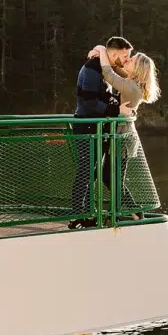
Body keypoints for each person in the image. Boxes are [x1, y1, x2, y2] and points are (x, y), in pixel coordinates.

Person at [89, 46, 161, 220]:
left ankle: (135, 212)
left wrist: (101, 50)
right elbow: (114, 67)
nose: (128, 59)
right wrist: (102, 56)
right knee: (110, 177)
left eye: (132, 60)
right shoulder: (129, 81)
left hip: (122, 138)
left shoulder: (131, 87)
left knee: (111, 178)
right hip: (120, 136)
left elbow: (108, 73)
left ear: (137, 69)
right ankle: (130, 212)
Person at [69, 36, 133, 229]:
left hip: (96, 128)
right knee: (86, 171)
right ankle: (77, 215)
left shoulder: (103, 67)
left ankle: (89, 213)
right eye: (124, 55)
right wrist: (117, 111)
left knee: (93, 172)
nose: (126, 59)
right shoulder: (91, 69)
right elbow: (88, 103)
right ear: (114, 54)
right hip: (87, 128)